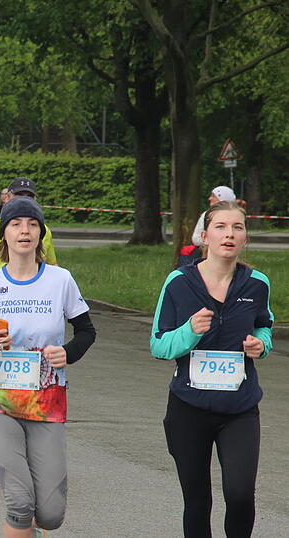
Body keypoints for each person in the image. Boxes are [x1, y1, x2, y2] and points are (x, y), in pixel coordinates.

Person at [0, 196, 96, 537]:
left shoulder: (60, 280)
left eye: (33, 225)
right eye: (16, 224)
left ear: (41, 234)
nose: (25, 230)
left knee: (50, 514)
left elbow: (87, 331)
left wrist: (68, 352)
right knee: (20, 503)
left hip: (46, 403)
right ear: (3, 234)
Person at [151, 201, 272, 537]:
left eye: (237, 227)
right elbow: (159, 345)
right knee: (198, 500)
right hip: (189, 408)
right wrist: (189, 330)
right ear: (205, 236)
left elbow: (265, 325)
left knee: (240, 495)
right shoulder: (178, 282)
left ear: (246, 237)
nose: (229, 234)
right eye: (221, 227)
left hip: (240, 409)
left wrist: (261, 345)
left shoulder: (257, 284)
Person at [179, 185, 239, 266]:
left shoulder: (208, 215)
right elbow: (196, 238)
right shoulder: (206, 215)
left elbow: (195, 239)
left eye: (213, 196)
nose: (210, 198)